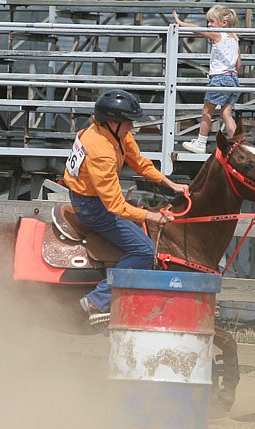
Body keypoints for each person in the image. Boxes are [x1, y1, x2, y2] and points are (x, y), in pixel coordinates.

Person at [63, 89, 189, 320]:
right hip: (92, 207)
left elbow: (139, 163)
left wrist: (171, 184)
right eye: (128, 122)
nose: (132, 127)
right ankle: (95, 301)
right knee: (144, 250)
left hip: (92, 199)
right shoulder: (102, 152)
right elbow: (115, 206)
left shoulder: (113, 133)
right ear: (112, 122)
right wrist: (151, 216)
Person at [173, 6, 242, 154]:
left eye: (212, 21)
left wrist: (180, 22)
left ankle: (201, 143)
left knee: (206, 112)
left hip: (220, 79)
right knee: (226, 114)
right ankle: (237, 145)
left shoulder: (219, 35)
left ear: (224, 23)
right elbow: (238, 64)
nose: (209, 25)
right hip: (233, 79)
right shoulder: (234, 38)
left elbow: (197, 29)